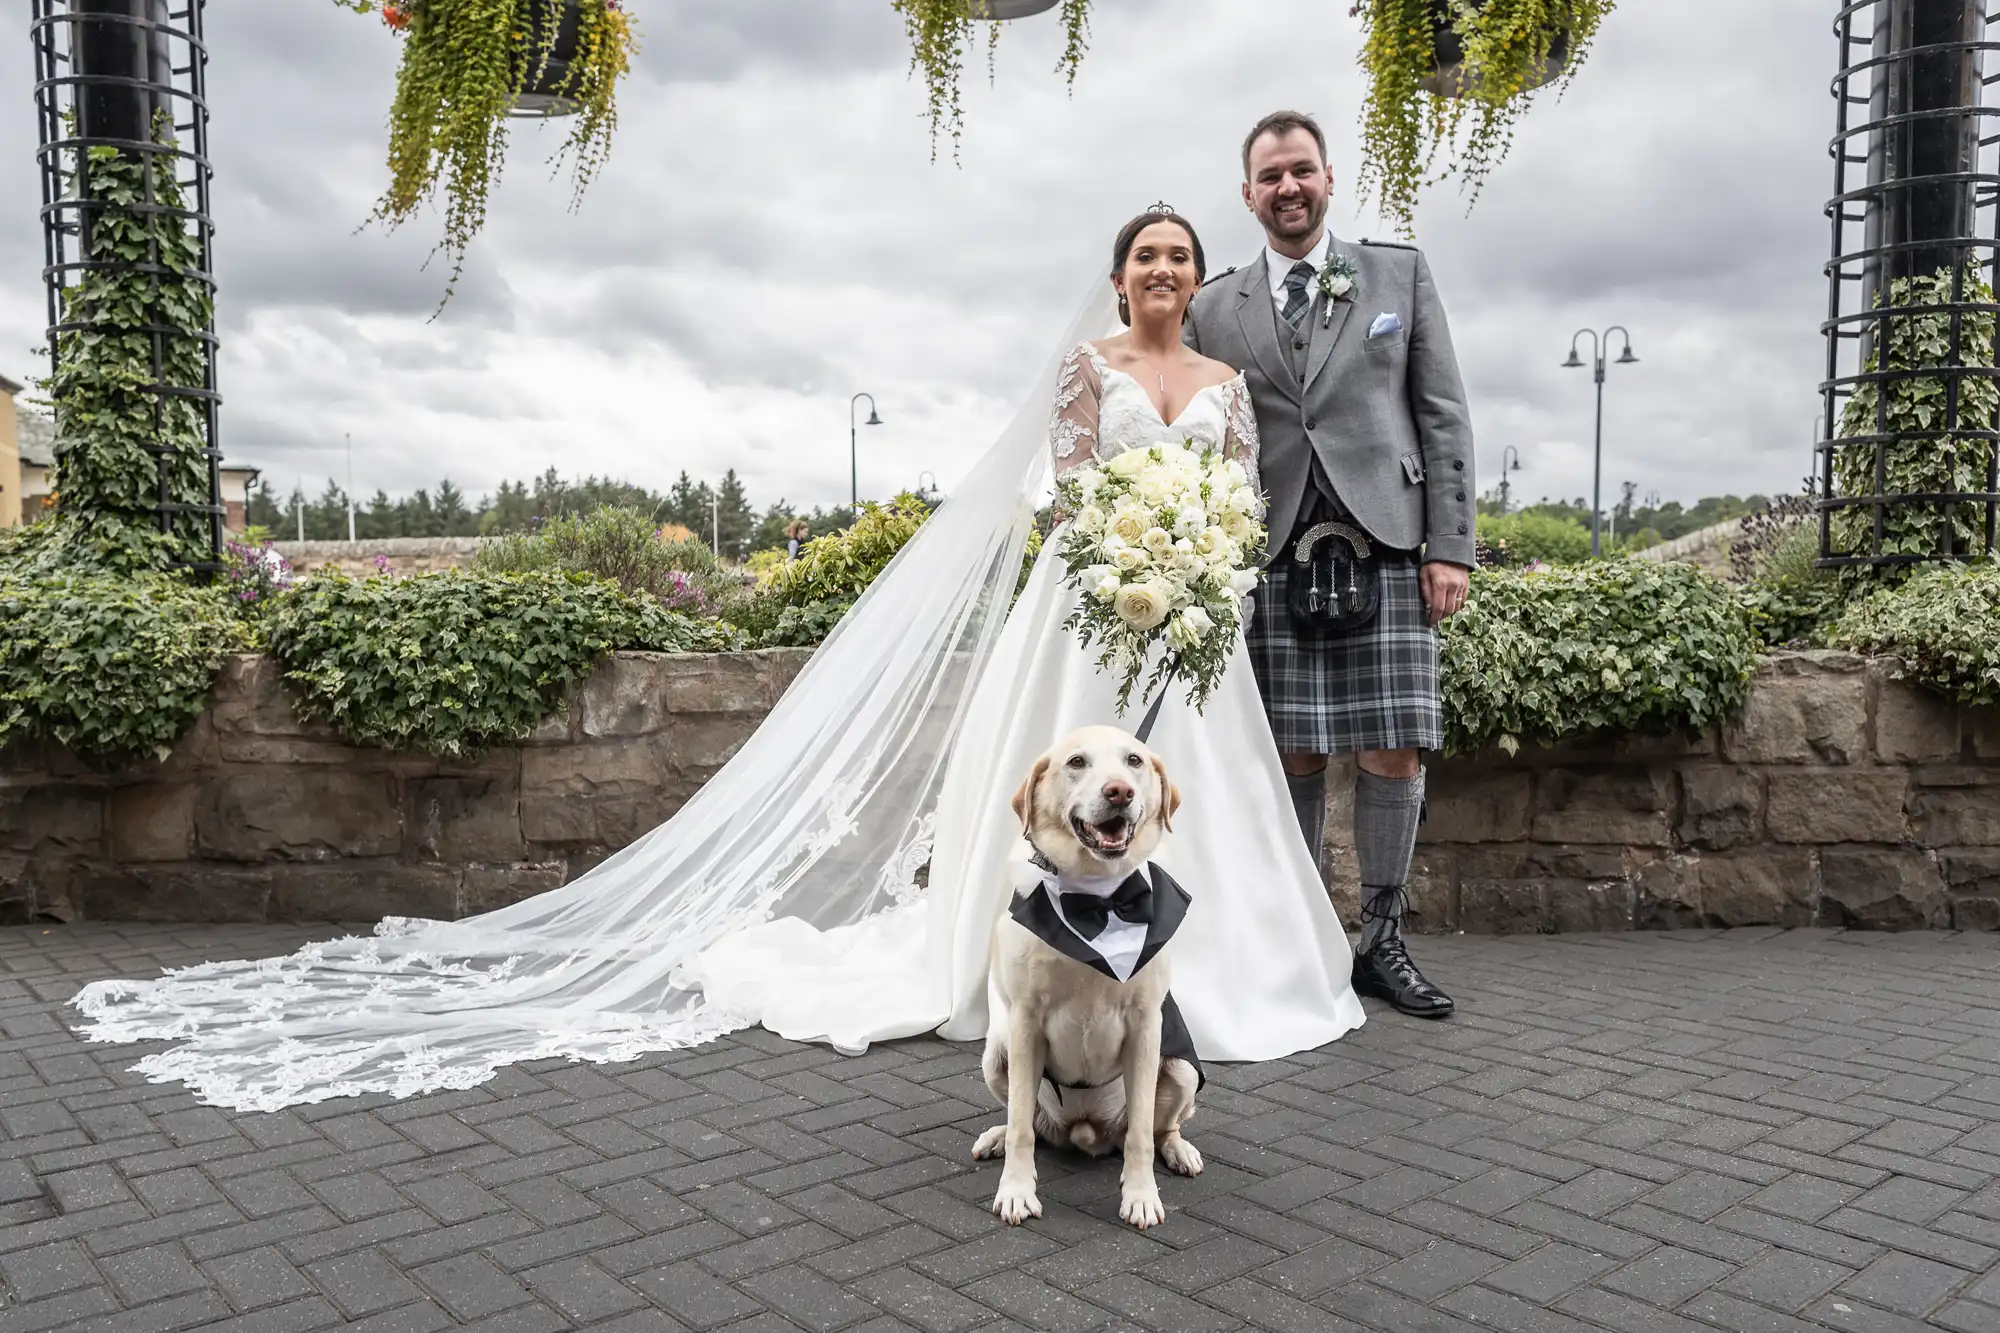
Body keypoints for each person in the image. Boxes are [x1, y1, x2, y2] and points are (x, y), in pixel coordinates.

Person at [70, 210, 1363, 1113]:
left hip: (1190, 628)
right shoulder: (1088, 370)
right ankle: (1031, 972)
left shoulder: (1226, 381)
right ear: (1119, 273)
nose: (1161, 271)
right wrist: (1126, 556)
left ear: (1199, 277)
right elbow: (1069, 492)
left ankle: (1212, 987)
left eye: (1179, 257)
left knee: (1208, 806)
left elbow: (1242, 497)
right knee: (1065, 796)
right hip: (1088, 617)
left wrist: (1201, 566)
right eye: (1144, 255)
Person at [1187, 110, 1473, 1020]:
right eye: (1270, 177)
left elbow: (1443, 414)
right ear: (1248, 194)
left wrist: (1451, 545)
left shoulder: (1399, 273)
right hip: (1271, 550)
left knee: (1393, 747)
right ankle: (1304, 938)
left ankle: (1382, 942)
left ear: (1328, 177)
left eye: (1301, 171)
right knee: (1293, 753)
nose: (1288, 188)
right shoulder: (1213, 307)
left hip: (1387, 543)